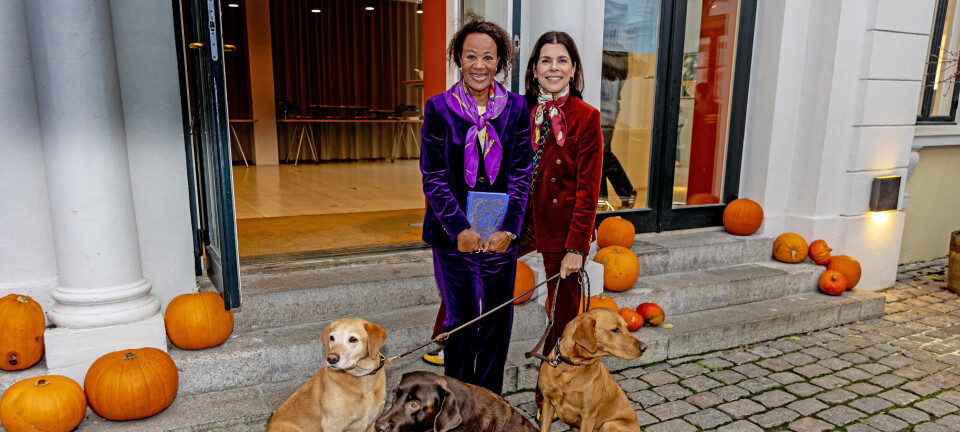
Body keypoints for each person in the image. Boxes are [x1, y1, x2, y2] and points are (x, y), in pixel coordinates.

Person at [418, 12, 532, 395]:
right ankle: (457, 400)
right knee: (462, 320)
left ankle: (488, 402)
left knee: (498, 320)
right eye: (471, 56)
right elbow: (433, 177)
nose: (479, 65)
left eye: (488, 57)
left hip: (500, 234)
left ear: (500, 61)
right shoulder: (438, 108)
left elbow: (520, 173)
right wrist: (459, 230)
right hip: (454, 236)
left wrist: (509, 230)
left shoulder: (517, 108)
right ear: (458, 58)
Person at [520, 31, 603, 419]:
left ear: (573, 69)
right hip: (520, 223)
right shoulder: (520, 113)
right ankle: (451, 338)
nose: (553, 68)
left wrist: (577, 247)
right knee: (477, 273)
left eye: (561, 61)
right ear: (534, 69)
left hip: (562, 227)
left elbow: (588, 190)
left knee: (564, 319)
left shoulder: (587, 118)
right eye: (546, 61)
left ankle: (552, 398)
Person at [599, 51, 637, 208]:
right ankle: (618, 195)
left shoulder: (609, 56)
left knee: (601, 154)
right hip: (607, 109)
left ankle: (606, 199)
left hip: (605, 110)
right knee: (601, 154)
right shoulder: (619, 59)